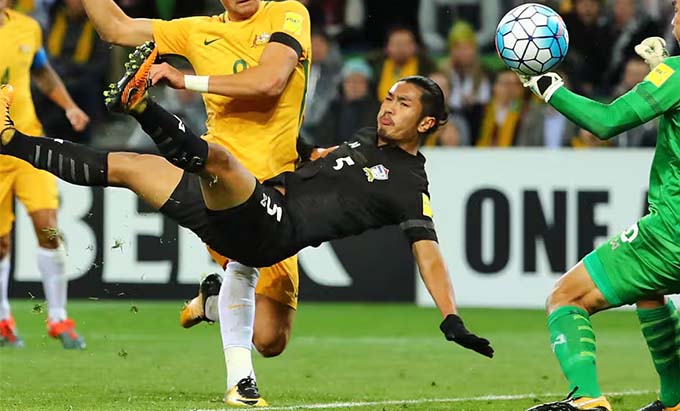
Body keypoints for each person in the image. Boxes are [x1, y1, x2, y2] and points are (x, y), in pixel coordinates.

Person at [0, 73, 494, 365]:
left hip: (274, 230)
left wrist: (451, 317)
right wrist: (302, 152)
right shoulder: (365, 139)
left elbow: (427, 251)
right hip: (244, 216)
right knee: (130, 167)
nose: (388, 108)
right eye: (389, 98)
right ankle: (10, 139)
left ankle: (144, 106)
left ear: (427, 123)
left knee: (220, 164)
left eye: (402, 104)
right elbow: (320, 162)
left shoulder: (409, 183)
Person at [56, 0, 311, 405]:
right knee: (246, 254)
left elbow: (269, 82)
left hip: (279, 183)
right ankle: (240, 383)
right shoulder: (196, 32)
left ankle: (214, 303)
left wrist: (184, 82)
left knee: (272, 339)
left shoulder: (288, 15)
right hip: (219, 179)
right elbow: (115, 28)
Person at [515, 0, 680, 411]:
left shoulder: (677, 75)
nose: (674, 17)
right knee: (649, 292)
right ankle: (675, 401)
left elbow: (607, 122)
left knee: (564, 298)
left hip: (672, 236)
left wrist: (550, 88)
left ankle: (587, 399)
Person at [0, 0, 89, 349]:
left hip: (27, 145)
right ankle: (3, 320)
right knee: (0, 243)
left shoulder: (27, 27)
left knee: (48, 226)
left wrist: (68, 105)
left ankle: (58, 318)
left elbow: (41, 71)